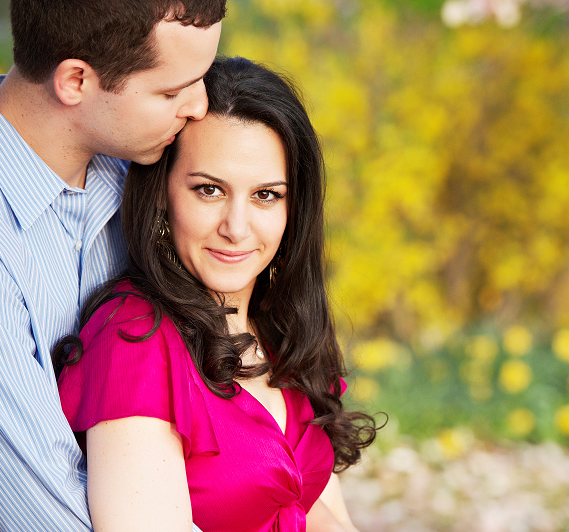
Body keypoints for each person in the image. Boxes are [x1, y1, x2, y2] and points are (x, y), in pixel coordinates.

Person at [55, 56, 380, 532]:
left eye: (266, 195)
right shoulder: (135, 339)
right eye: (209, 190)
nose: (237, 228)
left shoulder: (284, 328)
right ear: (163, 193)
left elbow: (319, 512)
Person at [0, 1, 225, 530]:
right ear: (75, 80)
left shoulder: (143, 170)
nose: (200, 106)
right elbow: (43, 516)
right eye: (171, 91)